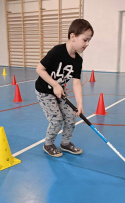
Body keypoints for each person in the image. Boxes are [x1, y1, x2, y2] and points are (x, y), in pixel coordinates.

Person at [35, 19, 94, 157]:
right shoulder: (57, 51)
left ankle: (65, 143)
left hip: (59, 91)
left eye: (89, 40)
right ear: (73, 36)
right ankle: (48, 144)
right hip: (44, 91)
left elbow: (76, 82)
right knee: (56, 120)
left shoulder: (78, 60)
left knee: (70, 117)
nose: (87, 44)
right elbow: (40, 69)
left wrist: (79, 104)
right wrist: (55, 84)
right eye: (85, 40)